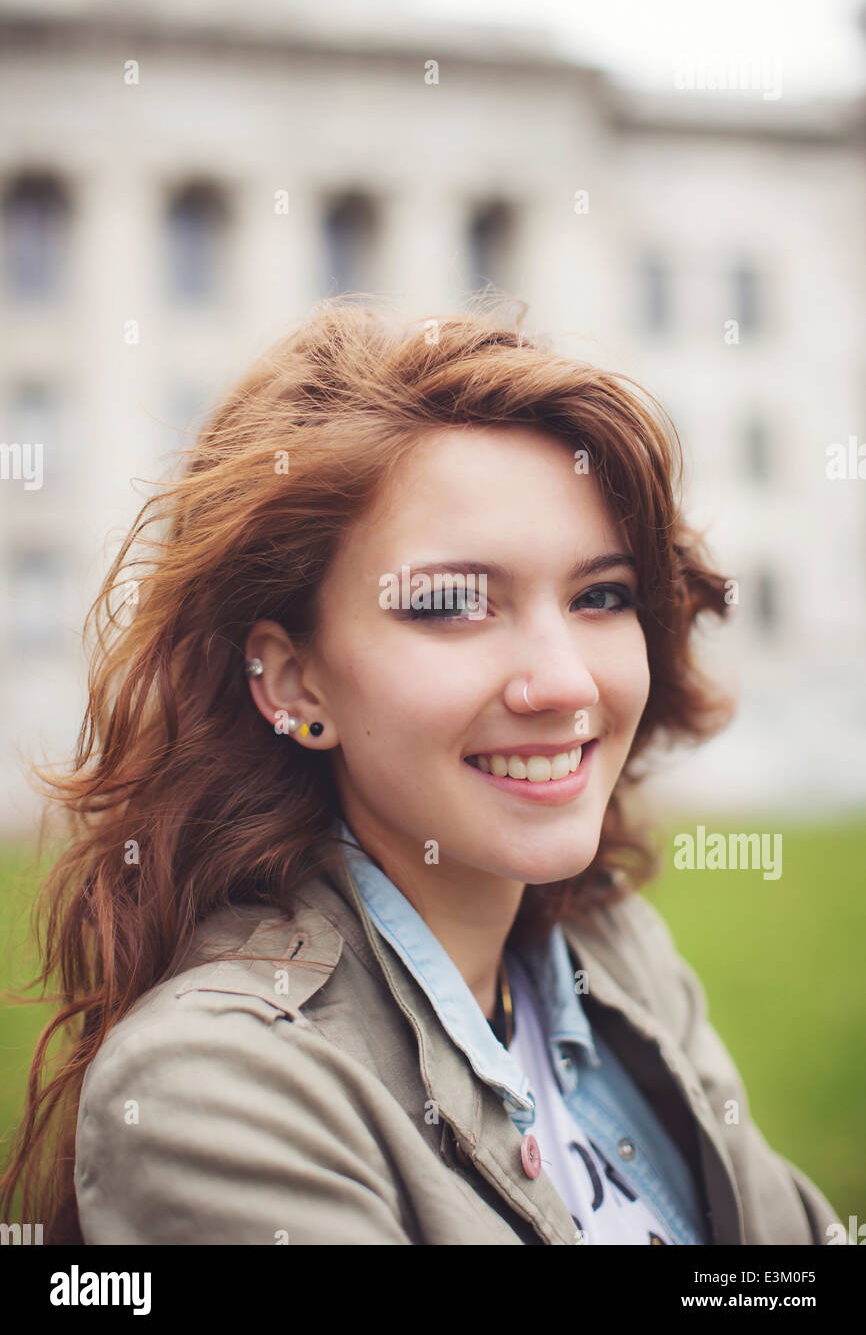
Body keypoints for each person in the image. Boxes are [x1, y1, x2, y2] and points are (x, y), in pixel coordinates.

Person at [0, 299, 842, 1244]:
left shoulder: (615, 952)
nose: (564, 683)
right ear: (292, 677)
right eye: (452, 604)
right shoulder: (216, 1085)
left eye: (600, 596)